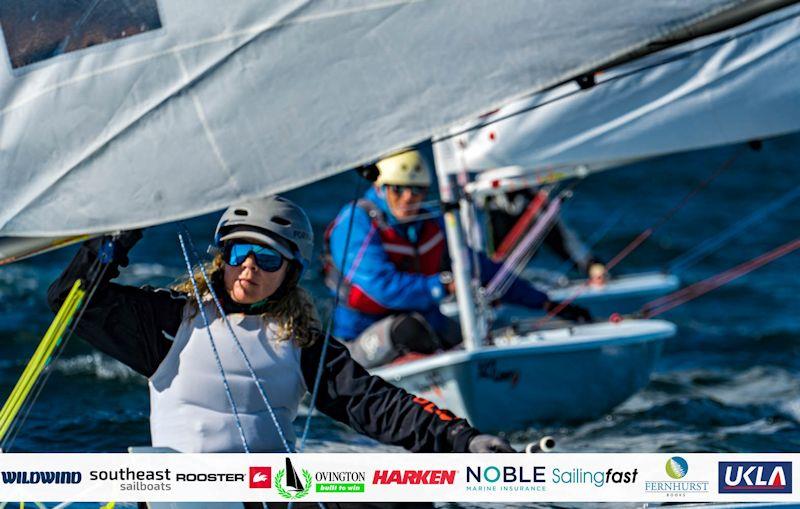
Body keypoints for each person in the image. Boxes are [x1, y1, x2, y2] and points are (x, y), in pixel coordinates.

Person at [47, 195, 514, 460]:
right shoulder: (171, 320)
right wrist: (114, 241)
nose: (248, 268)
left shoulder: (299, 340)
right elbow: (70, 300)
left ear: (290, 272)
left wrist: (462, 440)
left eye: (267, 259)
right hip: (184, 497)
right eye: (238, 254)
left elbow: (373, 403)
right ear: (222, 258)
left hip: (270, 496)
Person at [323, 150, 591, 369]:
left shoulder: (430, 223)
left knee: (480, 338)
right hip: (361, 339)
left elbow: (478, 268)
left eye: (417, 191)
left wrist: (544, 302)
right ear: (380, 188)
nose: (408, 198)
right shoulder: (356, 223)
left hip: (428, 324)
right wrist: (442, 285)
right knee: (409, 330)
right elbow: (382, 288)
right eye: (398, 190)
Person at [485, 188, 608, 283]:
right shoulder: (480, 200)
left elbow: (559, 237)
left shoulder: (529, 197)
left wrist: (590, 265)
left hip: (517, 278)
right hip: (490, 279)